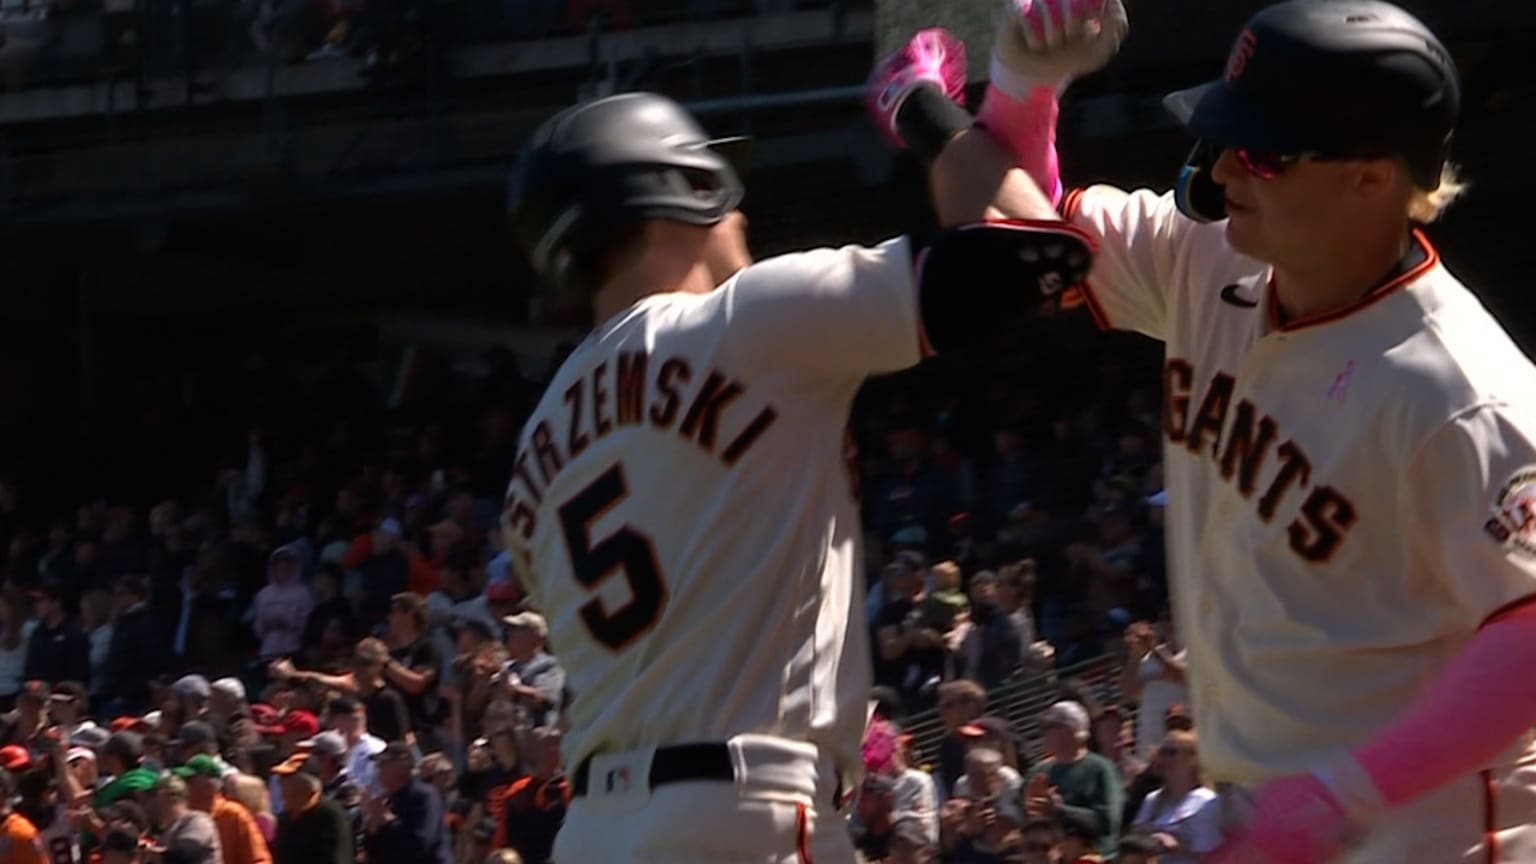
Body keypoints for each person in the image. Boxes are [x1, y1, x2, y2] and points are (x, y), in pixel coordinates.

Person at [889, 0, 1536, 859]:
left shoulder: (1461, 390)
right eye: (1225, 135)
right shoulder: (1211, 257)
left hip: (1429, 831)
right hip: (1267, 812)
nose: (1225, 168)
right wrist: (1022, 85)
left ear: (1371, 179)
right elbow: (1016, 237)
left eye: (1262, 151)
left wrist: (1344, 794)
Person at [501, 31, 1094, 859]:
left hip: (593, 831)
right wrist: (916, 106)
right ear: (688, 185)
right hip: (745, 810)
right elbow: (1035, 245)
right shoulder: (746, 317)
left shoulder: (533, 447)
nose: (739, 213)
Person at [1127, 731, 1219, 864]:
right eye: (1161, 752)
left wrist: (1177, 846)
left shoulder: (1206, 802)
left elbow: (1214, 857)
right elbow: (1133, 843)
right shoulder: (1152, 800)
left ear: (1193, 759)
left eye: (1170, 752)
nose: (1162, 759)